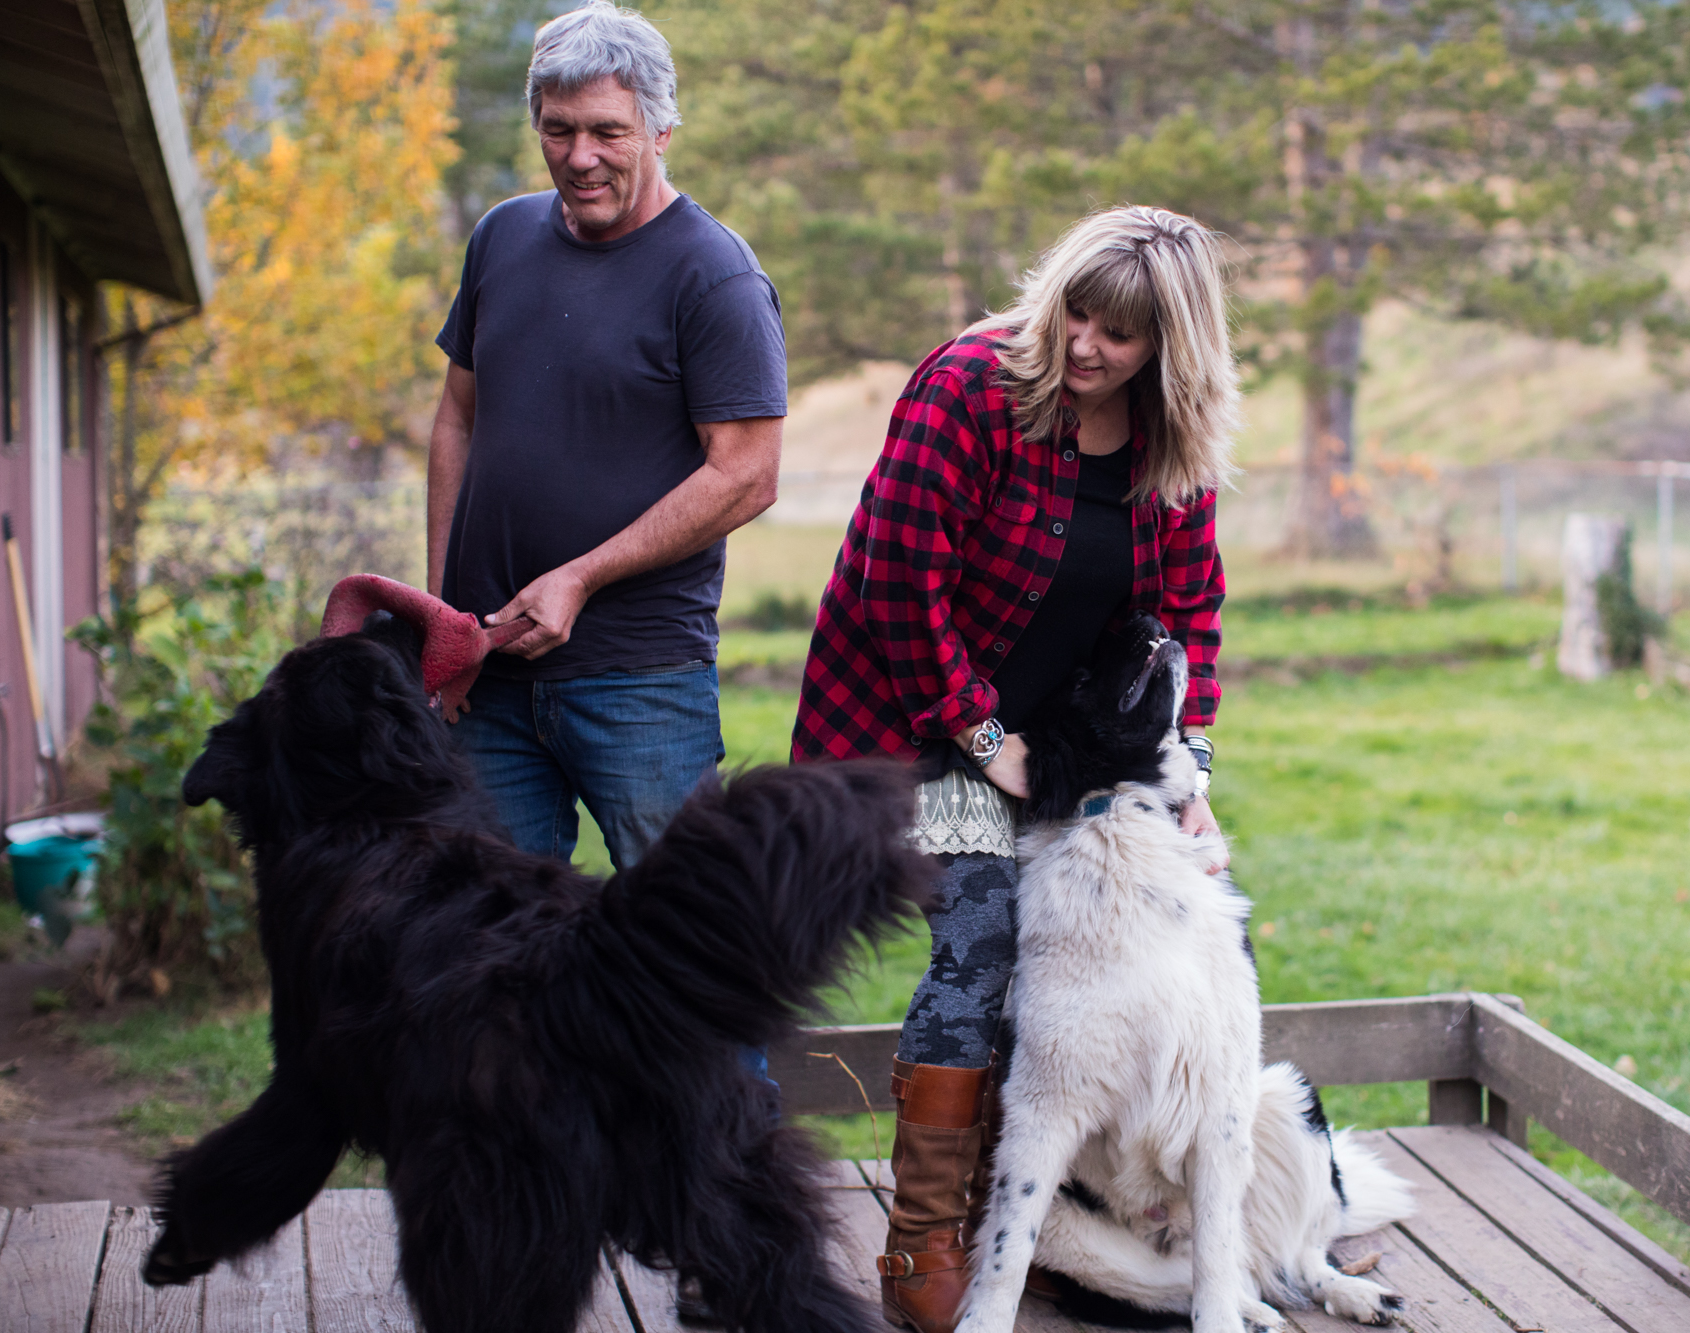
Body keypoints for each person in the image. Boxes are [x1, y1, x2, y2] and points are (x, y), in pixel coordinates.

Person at [791, 205, 1239, 1333]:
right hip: (922, 724)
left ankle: (1039, 1213)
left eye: (1120, 335)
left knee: (1168, 931)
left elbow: (1189, 617)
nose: (1084, 344)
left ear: (1168, 351)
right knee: (983, 931)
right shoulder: (969, 388)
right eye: (1076, 310)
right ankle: (925, 1238)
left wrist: (1188, 781)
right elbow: (899, 581)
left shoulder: (1166, 445)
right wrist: (987, 741)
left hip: (1068, 748)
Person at [428, 1, 786, 870]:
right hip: (488, 677)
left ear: (662, 130)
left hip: (641, 682)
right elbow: (456, 422)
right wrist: (444, 620)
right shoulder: (500, 237)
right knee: (488, 941)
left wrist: (581, 577)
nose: (579, 158)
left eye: (606, 132)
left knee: (686, 941)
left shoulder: (716, 277)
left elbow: (746, 475)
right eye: (557, 131)